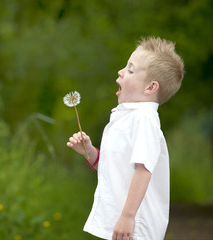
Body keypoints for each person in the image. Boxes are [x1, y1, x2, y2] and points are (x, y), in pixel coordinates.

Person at [67, 37, 184, 240]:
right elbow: (114, 168)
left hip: (136, 226)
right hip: (124, 223)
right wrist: (90, 151)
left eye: (130, 70)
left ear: (150, 87)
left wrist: (128, 217)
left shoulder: (144, 119)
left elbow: (143, 169)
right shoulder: (126, 118)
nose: (121, 71)